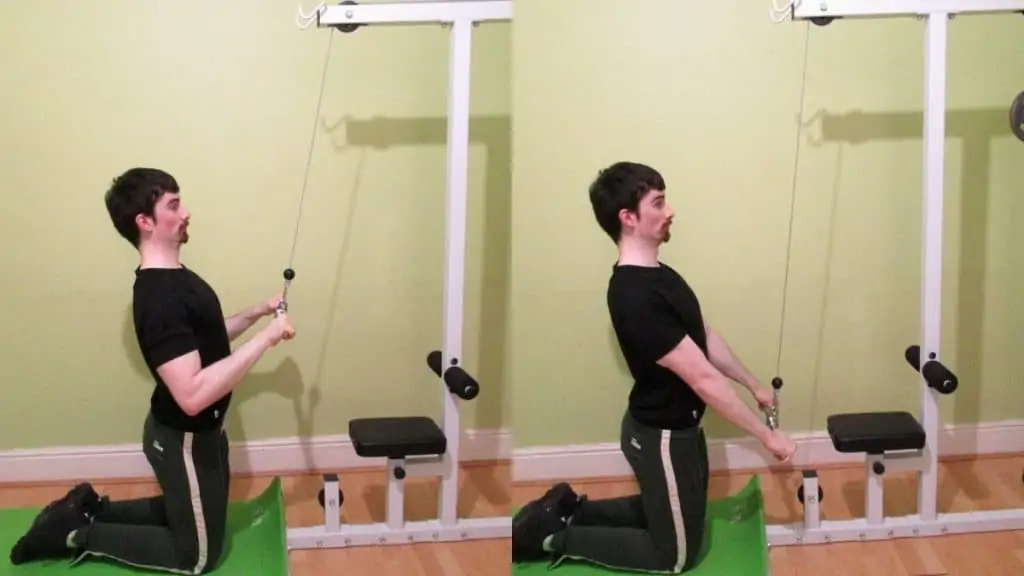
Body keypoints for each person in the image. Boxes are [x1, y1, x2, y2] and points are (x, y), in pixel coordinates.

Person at [512, 161, 798, 572]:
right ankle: (553, 536)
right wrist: (765, 436)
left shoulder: (659, 274)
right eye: (658, 203)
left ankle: (570, 509)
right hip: (662, 434)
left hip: (679, 427)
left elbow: (702, 336)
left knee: (682, 516)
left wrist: (753, 385)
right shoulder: (634, 296)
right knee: (674, 556)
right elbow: (702, 378)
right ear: (627, 218)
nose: (670, 211)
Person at [9, 167, 297, 573]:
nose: (186, 213)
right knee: (196, 556)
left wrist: (257, 313)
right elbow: (193, 395)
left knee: (201, 515)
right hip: (182, 437)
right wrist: (267, 338)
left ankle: (91, 509)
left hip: (204, 433)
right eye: (174, 205)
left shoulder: (177, 277)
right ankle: (75, 534)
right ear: (144, 222)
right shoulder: (158, 298)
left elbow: (206, 338)